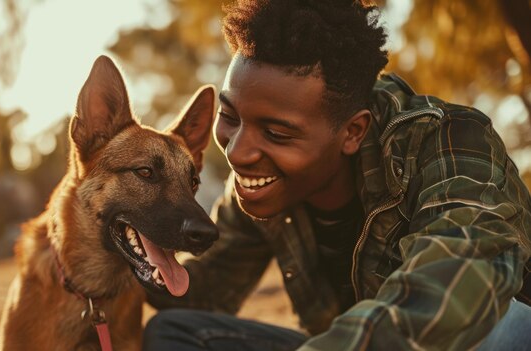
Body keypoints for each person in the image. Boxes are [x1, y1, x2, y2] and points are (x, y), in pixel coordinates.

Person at [143, 0, 531, 350]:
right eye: (229, 117)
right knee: (174, 333)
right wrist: (114, 251)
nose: (237, 152)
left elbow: (457, 282)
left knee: (485, 323)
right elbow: (202, 289)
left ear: (353, 132)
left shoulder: (448, 138)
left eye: (276, 133)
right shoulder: (258, 190)